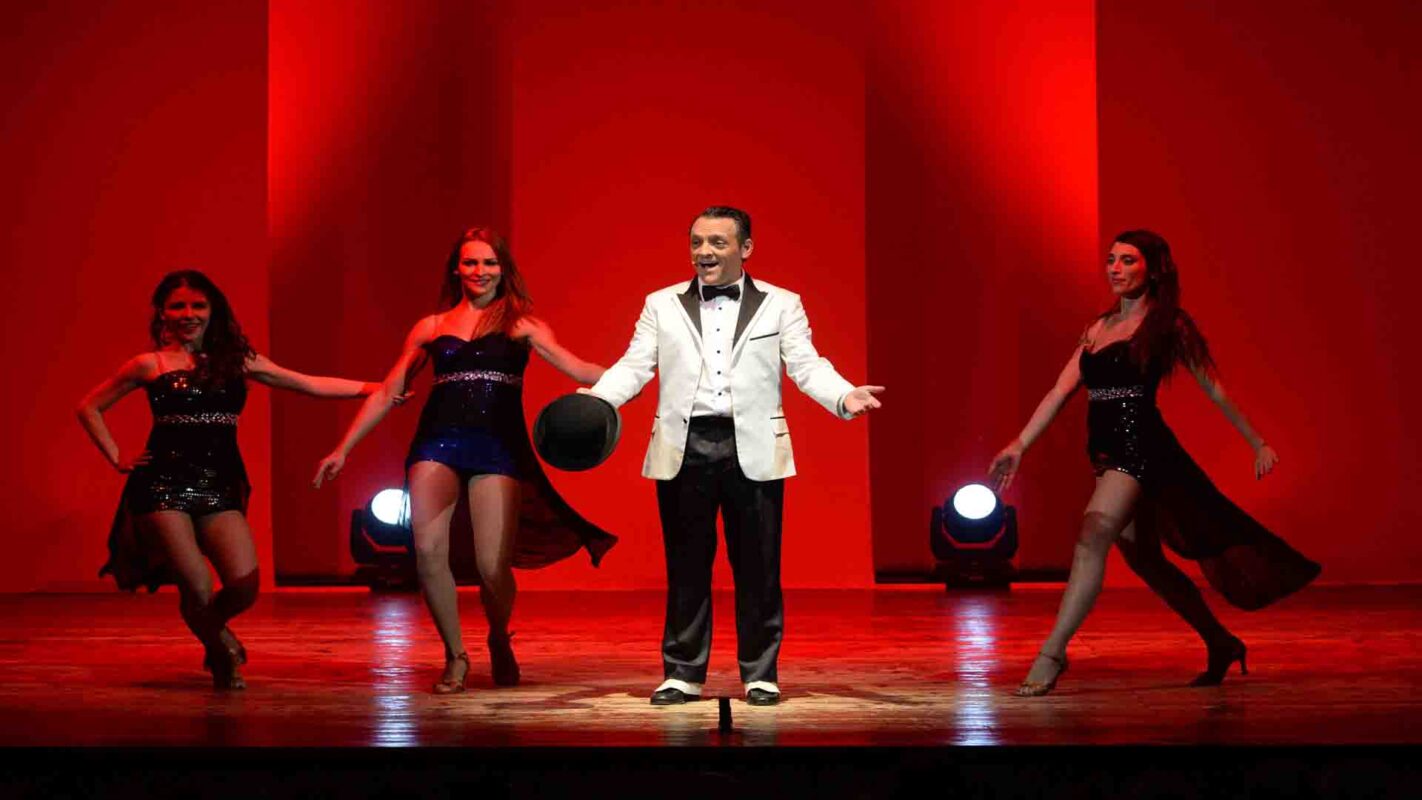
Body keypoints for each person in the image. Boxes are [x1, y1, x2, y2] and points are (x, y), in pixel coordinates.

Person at [988, 230, 1320, 697]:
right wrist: (1020, 444)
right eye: (1111, 260)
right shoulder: (1097, 328)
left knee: (1093, 532)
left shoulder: (1168, 326)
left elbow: (1214, 389)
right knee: (1146, 560)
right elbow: (1059, 391)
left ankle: (1052, 653)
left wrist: (1257, 442)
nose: (1115, 269)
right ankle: (1221, 642)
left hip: (1141, 446)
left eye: (1128, 260)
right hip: (1104, 451)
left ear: (1153, 268)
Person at [585, 206, 883, 706]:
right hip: (685, 446)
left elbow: (806, 364)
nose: (704, 252)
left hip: (754, 445)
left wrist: (843, 394)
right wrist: (596, 402)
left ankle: (760, 673)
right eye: (697, 242)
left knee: (759, 566)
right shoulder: (661, 304)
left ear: (745, 249)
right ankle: (682, 673)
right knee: (686, 565)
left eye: (717, 243)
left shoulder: (782, 304)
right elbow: (634, 366)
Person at [314, 227, 616, 694]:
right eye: (471, 262)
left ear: (503, 268)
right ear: (456, 269)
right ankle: (455, 655)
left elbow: (577, 368)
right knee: (428, 554)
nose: (480, 271)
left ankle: (498, 636)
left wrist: (635, 377)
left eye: (489, 262)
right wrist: (343, 448)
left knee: (492, 565)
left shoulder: (522, 324)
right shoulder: (431, 327)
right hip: (437, 443)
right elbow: (389, 391)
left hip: (498, 446)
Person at [77, 270, 388, 689]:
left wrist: (376, 388)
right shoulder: (148, 364)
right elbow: (89, 407)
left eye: (198, 305)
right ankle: (221, 649)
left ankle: (212, 633)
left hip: (219, 482)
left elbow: (306, 383)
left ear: (213, 310)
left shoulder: (236, 361)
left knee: (244, 585)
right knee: (197, 584)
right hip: (161, 485)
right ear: (163, 313)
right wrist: (117, 456)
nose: (188, 314)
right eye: (178, 306)